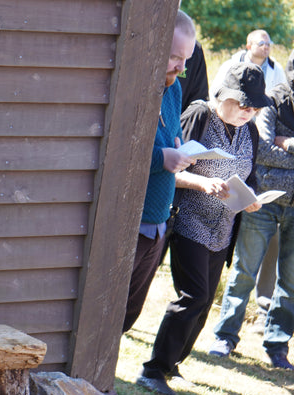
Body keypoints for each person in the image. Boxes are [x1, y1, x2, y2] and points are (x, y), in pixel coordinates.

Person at [137, 62, 270, 395]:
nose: (249, 112)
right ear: (223, 95)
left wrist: (252, 198)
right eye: (243, 104)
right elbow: (171, 167)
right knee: (193, 296)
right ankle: (153, 370)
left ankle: (173, 364)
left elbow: (249, 177)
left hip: (222, 231)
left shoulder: (250, 131)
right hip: (188, 221)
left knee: (205, 302)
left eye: (254, 107)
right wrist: (202, 183)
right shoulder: (200, 115)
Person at [208, 52, 294, 370]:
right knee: (244, 271)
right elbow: (264, 150)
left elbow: (276, 148)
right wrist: (283, 145)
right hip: (262, 202)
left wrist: (287, 142)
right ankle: (225, 336)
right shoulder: (272, 102)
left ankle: (277, 345)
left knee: (291, 280)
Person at [122, 10, 197, 333]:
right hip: (131, 222)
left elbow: (171, 137)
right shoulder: (134, 86)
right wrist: (161, 158)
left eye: (186, 59)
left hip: (158, 222)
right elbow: (121, 150)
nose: (181, 67)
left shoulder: (175, 88)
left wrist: (179, 152)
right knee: (106, 313)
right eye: (174, 57)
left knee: (129, 315)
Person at [211, 30, 287, 99]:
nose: (266, 47)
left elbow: (283, 95)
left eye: (268, 44)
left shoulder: (277, 69)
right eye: (261, 44)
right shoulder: (231, 65)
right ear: (249, 46)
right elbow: (215, 91)